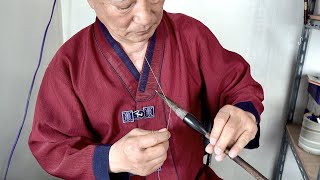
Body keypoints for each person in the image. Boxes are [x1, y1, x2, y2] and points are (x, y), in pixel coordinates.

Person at [28, 0, 264, 179]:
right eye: (124, 4)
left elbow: (238, 86)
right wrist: (111, 159)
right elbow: (50, 146)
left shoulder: (191, 36)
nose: (144, 17)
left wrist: (244, 115)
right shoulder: (69, 65)